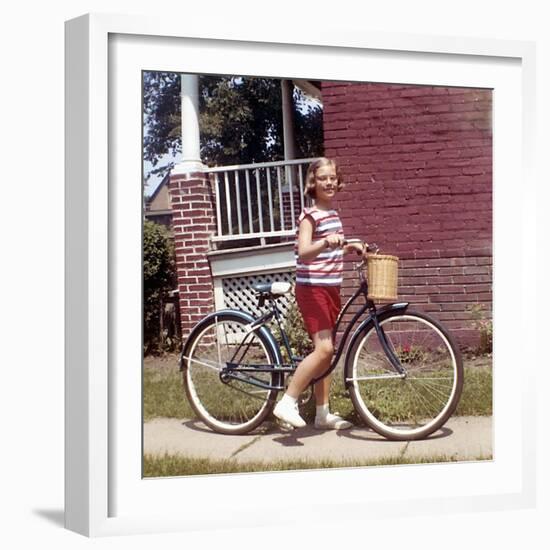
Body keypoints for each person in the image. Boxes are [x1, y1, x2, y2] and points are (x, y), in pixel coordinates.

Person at [273, 157, 364, 429]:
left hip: (330, 287)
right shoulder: (309, 215)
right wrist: (325, 241)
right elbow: (304, 250)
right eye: (323, 178)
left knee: (327, 352)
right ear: (313, 183)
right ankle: (288, 400)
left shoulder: (333, 215)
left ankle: (322, 413)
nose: (329, 182)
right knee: (324, 349)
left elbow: (331, 248)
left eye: (333, 177)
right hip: (312, 288)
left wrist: (348, 247)